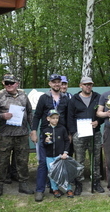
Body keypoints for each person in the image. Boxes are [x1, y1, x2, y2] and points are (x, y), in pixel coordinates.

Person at [0, 74, 34, 198]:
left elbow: (30, 112)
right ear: (3, 84)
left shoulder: (23, 96)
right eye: (6, 83)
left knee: (22, 160)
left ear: (17, 83)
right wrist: (2, 116)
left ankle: (23, 184)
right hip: (5, 135)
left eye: (11, 83)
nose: (9, 85)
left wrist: (33, 129)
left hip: (22, 134)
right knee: (2, 161)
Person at [31, 74, 70, 202]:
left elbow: (69, 117)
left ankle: (60, 187)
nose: (57, 84)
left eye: (59, 82)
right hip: (46, 135)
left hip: (60, 135)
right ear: (50, 84)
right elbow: (36, 116)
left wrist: (69, 133)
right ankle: (40, 190)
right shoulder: (44, 98)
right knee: (43, 163)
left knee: (61, 162)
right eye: (54, 82)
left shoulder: (66, 98)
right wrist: (33, 131)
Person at [67, 76, 104, 194]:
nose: (88, 86)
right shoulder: (74, 99)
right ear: (80, 86)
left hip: (95, 133)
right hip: (80, 134)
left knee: (96, 159)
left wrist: (98, 122)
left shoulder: (98, 97)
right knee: (79, 160)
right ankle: (78, 183)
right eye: (86, 84)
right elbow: (70, 117)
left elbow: (102, 114)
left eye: (90, 84)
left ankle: (96, 182)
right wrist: (73, 133)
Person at [43, 109, 73, 198]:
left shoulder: (62, 129)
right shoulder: (45, 130)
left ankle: (69, 189)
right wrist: (46, 141)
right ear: (48, 119)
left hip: (60, 156)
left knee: (64, 172)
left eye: (57, 118)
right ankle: (55, 189)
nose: (55, 120)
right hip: (49, 156)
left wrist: (65, 153)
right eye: (53, 118)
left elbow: (67, 141)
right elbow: (43, 143)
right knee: (52, 173)